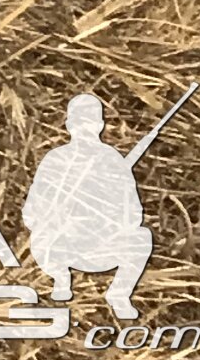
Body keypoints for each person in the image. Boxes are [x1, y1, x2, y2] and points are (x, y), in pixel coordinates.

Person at [23, 95, 152, 319]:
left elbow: (133, 214)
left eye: (89, 121)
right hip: (61, 246)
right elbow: (32, 210)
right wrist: (54, 221)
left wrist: (107, 222)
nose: (85, 128)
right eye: (81, 121)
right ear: (70, 125)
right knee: (41, 235)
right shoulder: (56, 159)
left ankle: (119, 294)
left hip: (101, 247)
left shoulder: (112, 160)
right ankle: (61, 279)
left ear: (100, 125)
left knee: (141, 237)